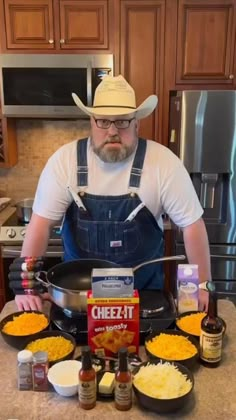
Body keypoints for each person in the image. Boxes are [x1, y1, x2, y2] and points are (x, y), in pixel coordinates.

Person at [9, 75, 210, 312]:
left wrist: (204, 285)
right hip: (77, 301)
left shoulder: (164, 163)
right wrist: (26, 285)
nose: (112, 131)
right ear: (91, 122)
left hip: (143, 300)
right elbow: (40, 224)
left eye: (122, 121)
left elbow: (192, 225)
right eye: (103, 121)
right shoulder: (64, 162)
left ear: (137, 123)